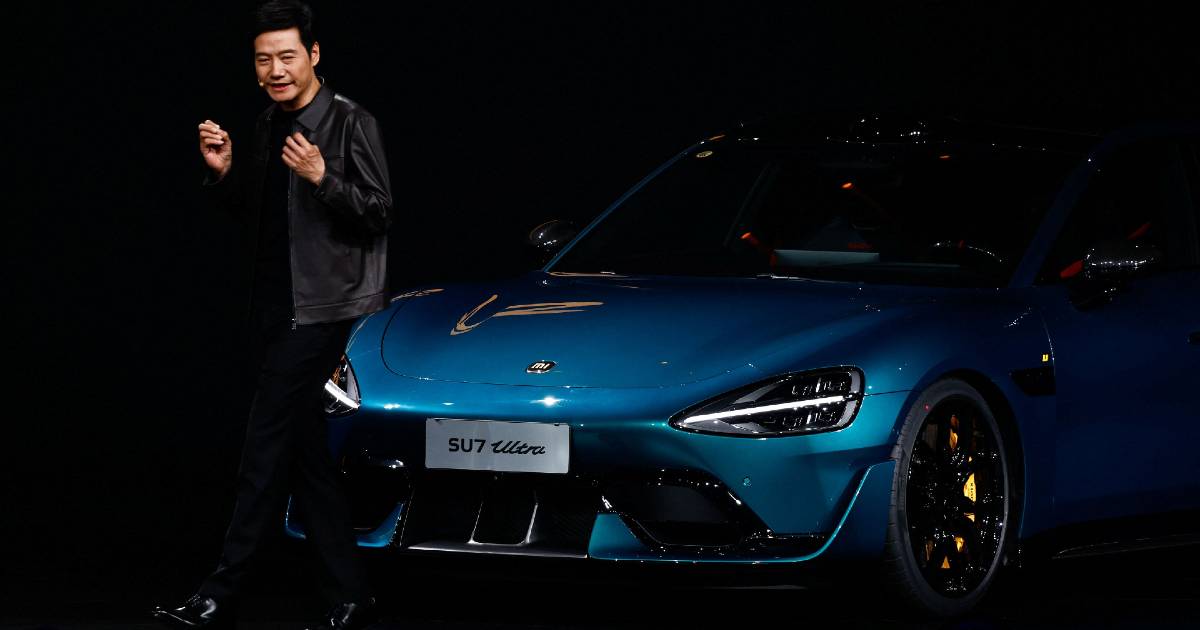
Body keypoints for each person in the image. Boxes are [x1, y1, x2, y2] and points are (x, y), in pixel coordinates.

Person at [152, 2, 391, 629]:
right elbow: (261, 221)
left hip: (325, 313)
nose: (276, 70)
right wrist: (226, 173)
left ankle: (219, 593)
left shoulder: (351, 122)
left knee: (262, 452)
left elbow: (378, 213)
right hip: (274, 310)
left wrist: (322, 176)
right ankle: (351, 596)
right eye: (264, 60)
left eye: (287, 56)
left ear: (314, 55)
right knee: (306, 458)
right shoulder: (265, 123)